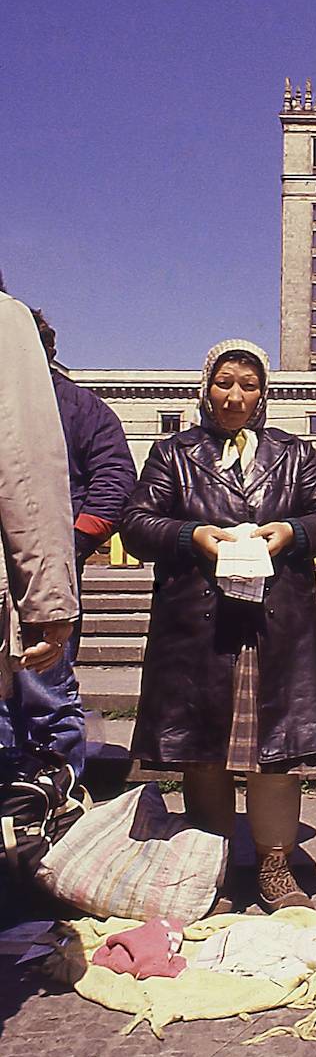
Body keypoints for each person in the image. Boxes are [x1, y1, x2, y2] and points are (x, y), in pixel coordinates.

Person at [119, 338, 316, 910]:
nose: (235, 395)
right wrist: (190, 536)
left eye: (248, 385)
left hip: (275, 627)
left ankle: (275, 865)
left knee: (276, 751)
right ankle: (211, 867)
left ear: (263, 394)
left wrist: (291, 532)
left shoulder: (292, 455)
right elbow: (138, 522)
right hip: (201, 627)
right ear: (206, 388)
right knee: (205, 751)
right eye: (225, 382)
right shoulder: (173, 454)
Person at [0, 310, 137, 777]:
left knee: (47, 694)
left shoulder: (81, 407)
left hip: (48, 569)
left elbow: (115, 478)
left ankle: (59, 799)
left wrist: (73, 540)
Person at [0, 292, 78, 739]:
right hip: (25, 574)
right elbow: (27, 474)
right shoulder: (5, 321)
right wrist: (51, 601)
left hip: (25, 570)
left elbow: (111, 478)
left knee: (49, 705)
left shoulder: (85, 408)